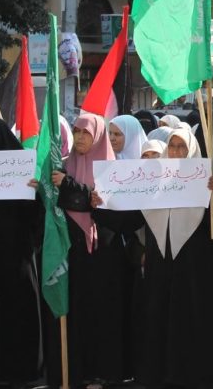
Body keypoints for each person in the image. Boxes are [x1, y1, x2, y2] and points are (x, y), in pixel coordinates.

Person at [119, 127, 213, 388]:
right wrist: (99, 203)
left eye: (182, 146)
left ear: (191, 150)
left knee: (190, 315)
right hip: (160, 260)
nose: (177, 151)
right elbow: (132, 216)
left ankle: (190, 373)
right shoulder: (155, 178)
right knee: (159, 313)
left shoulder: (204, 179)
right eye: (173, 146)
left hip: (193, 263)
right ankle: (159, 372)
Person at [45, 113, 141, 388]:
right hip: (72, 254)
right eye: (76, 132)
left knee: (103, 313)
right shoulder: (63, 168)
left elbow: (127, 220)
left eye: (86, 132)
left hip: (105, 256)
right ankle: (75, 371)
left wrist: (91, 199)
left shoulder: (115, 171)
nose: (80, 138)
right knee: (74, 312)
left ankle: (103, 370)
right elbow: (58, 202)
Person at [0, 117, 44, 387]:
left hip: (16, 256)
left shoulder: (22, 173)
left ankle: (22, 370)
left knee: (18, 309)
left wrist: (34, 189)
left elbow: (38, 216)